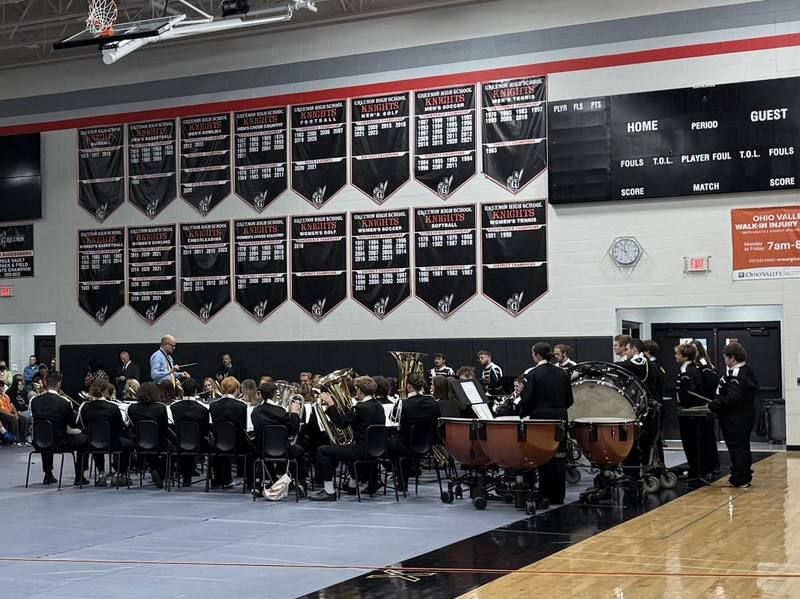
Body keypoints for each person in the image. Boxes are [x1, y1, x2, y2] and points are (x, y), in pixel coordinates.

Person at [309, 375, 385, 501]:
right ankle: (352, 486)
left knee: (322, 451)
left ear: (359, 390)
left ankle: (329, 491)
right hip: (377, 450)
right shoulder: (378, 406)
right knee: (347, 448)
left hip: (361, 451)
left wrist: (331, 404)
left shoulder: (360, 408)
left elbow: (341, 423)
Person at [518, 342, 574, 505]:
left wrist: (523, 414)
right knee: (559, 456)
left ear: (536, 355)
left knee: (543, 456)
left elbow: (528, 400)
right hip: (560, 418)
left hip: (541, 420)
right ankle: (558, 496)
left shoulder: (532, 374)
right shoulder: (562, 372)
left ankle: (545, 494)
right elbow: (569, 399)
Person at [29, 371, 89, 486]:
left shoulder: (35, 401)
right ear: (58, 384)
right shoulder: (63, 403)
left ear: (46, 383)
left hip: (39, 443)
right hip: (59, 443)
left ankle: (48, 474)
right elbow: (73, 424)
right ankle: (79, 476)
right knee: (84, 439)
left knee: (46, 434)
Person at [710, 342, 757, 488]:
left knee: (737, 448)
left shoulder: (738, 373)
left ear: (732, 358)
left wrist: (715, 405)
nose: (724, 360)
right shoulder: (745, 371)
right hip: (741, 417)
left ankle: (740, 478)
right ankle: (743, 475)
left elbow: (733, 398)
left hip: (736, 419)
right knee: (741, 447)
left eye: (725, 357)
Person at [77, 377, 135, 487]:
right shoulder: (113, 407)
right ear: (105, 390)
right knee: (130, 445)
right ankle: (120, 473)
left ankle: (101, 473)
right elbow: (120, 426)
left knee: (96, 439)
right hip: (112, 443)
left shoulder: (85, 407)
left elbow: (83, 425)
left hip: (93, 443)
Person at [250, 381, 306, 493]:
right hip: (283, 451)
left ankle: (260, 483)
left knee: (264, 455)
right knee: (299, 451)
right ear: (275, 395)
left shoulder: (255, 412)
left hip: (262, 451)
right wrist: (294, 413)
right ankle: (299, 482)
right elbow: (293, 431)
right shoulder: (280, 411)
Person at [387, 372, 440, 490]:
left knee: (388, 444)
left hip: (406, 445)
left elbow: (392, 418)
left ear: (409, 386)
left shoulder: (403, 403)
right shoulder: (432, 402)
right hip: (427, 445)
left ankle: (400, 478)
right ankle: (412, 468)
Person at [674, 343, 713, 481]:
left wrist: (684, 405)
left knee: (691, 442)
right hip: (691, 411)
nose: (675, 356)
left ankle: (696, 469)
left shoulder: (688, 371)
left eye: (678, 354)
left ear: (685, 356)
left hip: (690, 413)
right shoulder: (691, 368)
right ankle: (696, 468)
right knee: (694, 442)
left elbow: (689, 392)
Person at [208, 377, 252, 489]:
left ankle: (220, 479)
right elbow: (244, 427)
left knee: (220, 443)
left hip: (219, 444)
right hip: (238, 445)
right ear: (237, 389)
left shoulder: (213, 405)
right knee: (252, 448)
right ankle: (250, 480)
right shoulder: (241, 405)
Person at [128, 381, 172, 487]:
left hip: (139, 443)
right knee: (172, 448)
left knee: (149, 446)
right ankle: (161, 473)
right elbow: (164, 428)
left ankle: (153, 469)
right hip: (158, 442)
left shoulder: (132, 408)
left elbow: (132, 426)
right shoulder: (160, 408)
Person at [170, 378, 211, 487]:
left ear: (182, 391)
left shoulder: (174, 407)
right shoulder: (203, 409)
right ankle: (217, 479)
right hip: (199, 444)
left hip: (179, 443)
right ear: (195, 391)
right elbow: (206, 429)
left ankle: (185, 476)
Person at [692, 340, 720, 472]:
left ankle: (712, 464)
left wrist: (706, 398)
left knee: (707, 435)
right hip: (704, 402)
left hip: (705, 403)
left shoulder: (703, 363)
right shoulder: (698, 363)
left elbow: (711, 382)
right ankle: (709, 464)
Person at [8, 377, 32, 443]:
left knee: (34, 418)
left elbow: (27, 403)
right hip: (18, 412)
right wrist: (18, 411)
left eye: (22, 384)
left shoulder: (24, 392)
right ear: (16, 385)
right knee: (29, 418)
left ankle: (33, 439)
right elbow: (12, 404)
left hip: (26, 411)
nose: (21, 386)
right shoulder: (10, 393)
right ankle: (24, 439)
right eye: (19, 385)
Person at [0, 380, 21, 445]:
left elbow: (12, 406)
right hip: (2, 414)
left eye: (2, 386)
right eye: (0, 387)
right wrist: (11, 415)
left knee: (23, 419)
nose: (1, 388)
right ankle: (13, 440)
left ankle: (22, 440)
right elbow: (0, 410)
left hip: (10, 413)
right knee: (13, 419)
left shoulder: (6, 396)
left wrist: (16, 413)